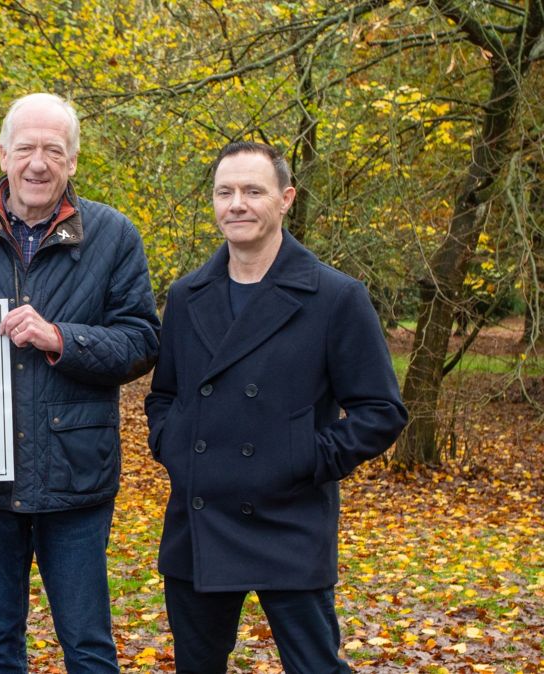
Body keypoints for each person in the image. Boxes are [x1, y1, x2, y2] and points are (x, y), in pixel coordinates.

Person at [0, 93, 161, 673]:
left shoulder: (112, 235)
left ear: (73, 162)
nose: (38, 163)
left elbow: (142, 341)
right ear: (2, 154)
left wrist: (62, 338)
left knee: (88, 645)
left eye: (54, 149)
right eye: (25, 148)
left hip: (74, 472)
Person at [144, 141, 408, 673]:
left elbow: (381, 411)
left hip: (291, 518)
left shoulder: (335, 296)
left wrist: (302, 458)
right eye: (225, 192)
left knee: (314, 667)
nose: (236, 204)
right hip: (201, 518)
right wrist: (172, 444)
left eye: (252, 191)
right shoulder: (187, 294)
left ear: (285, 199)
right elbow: (164, 395)